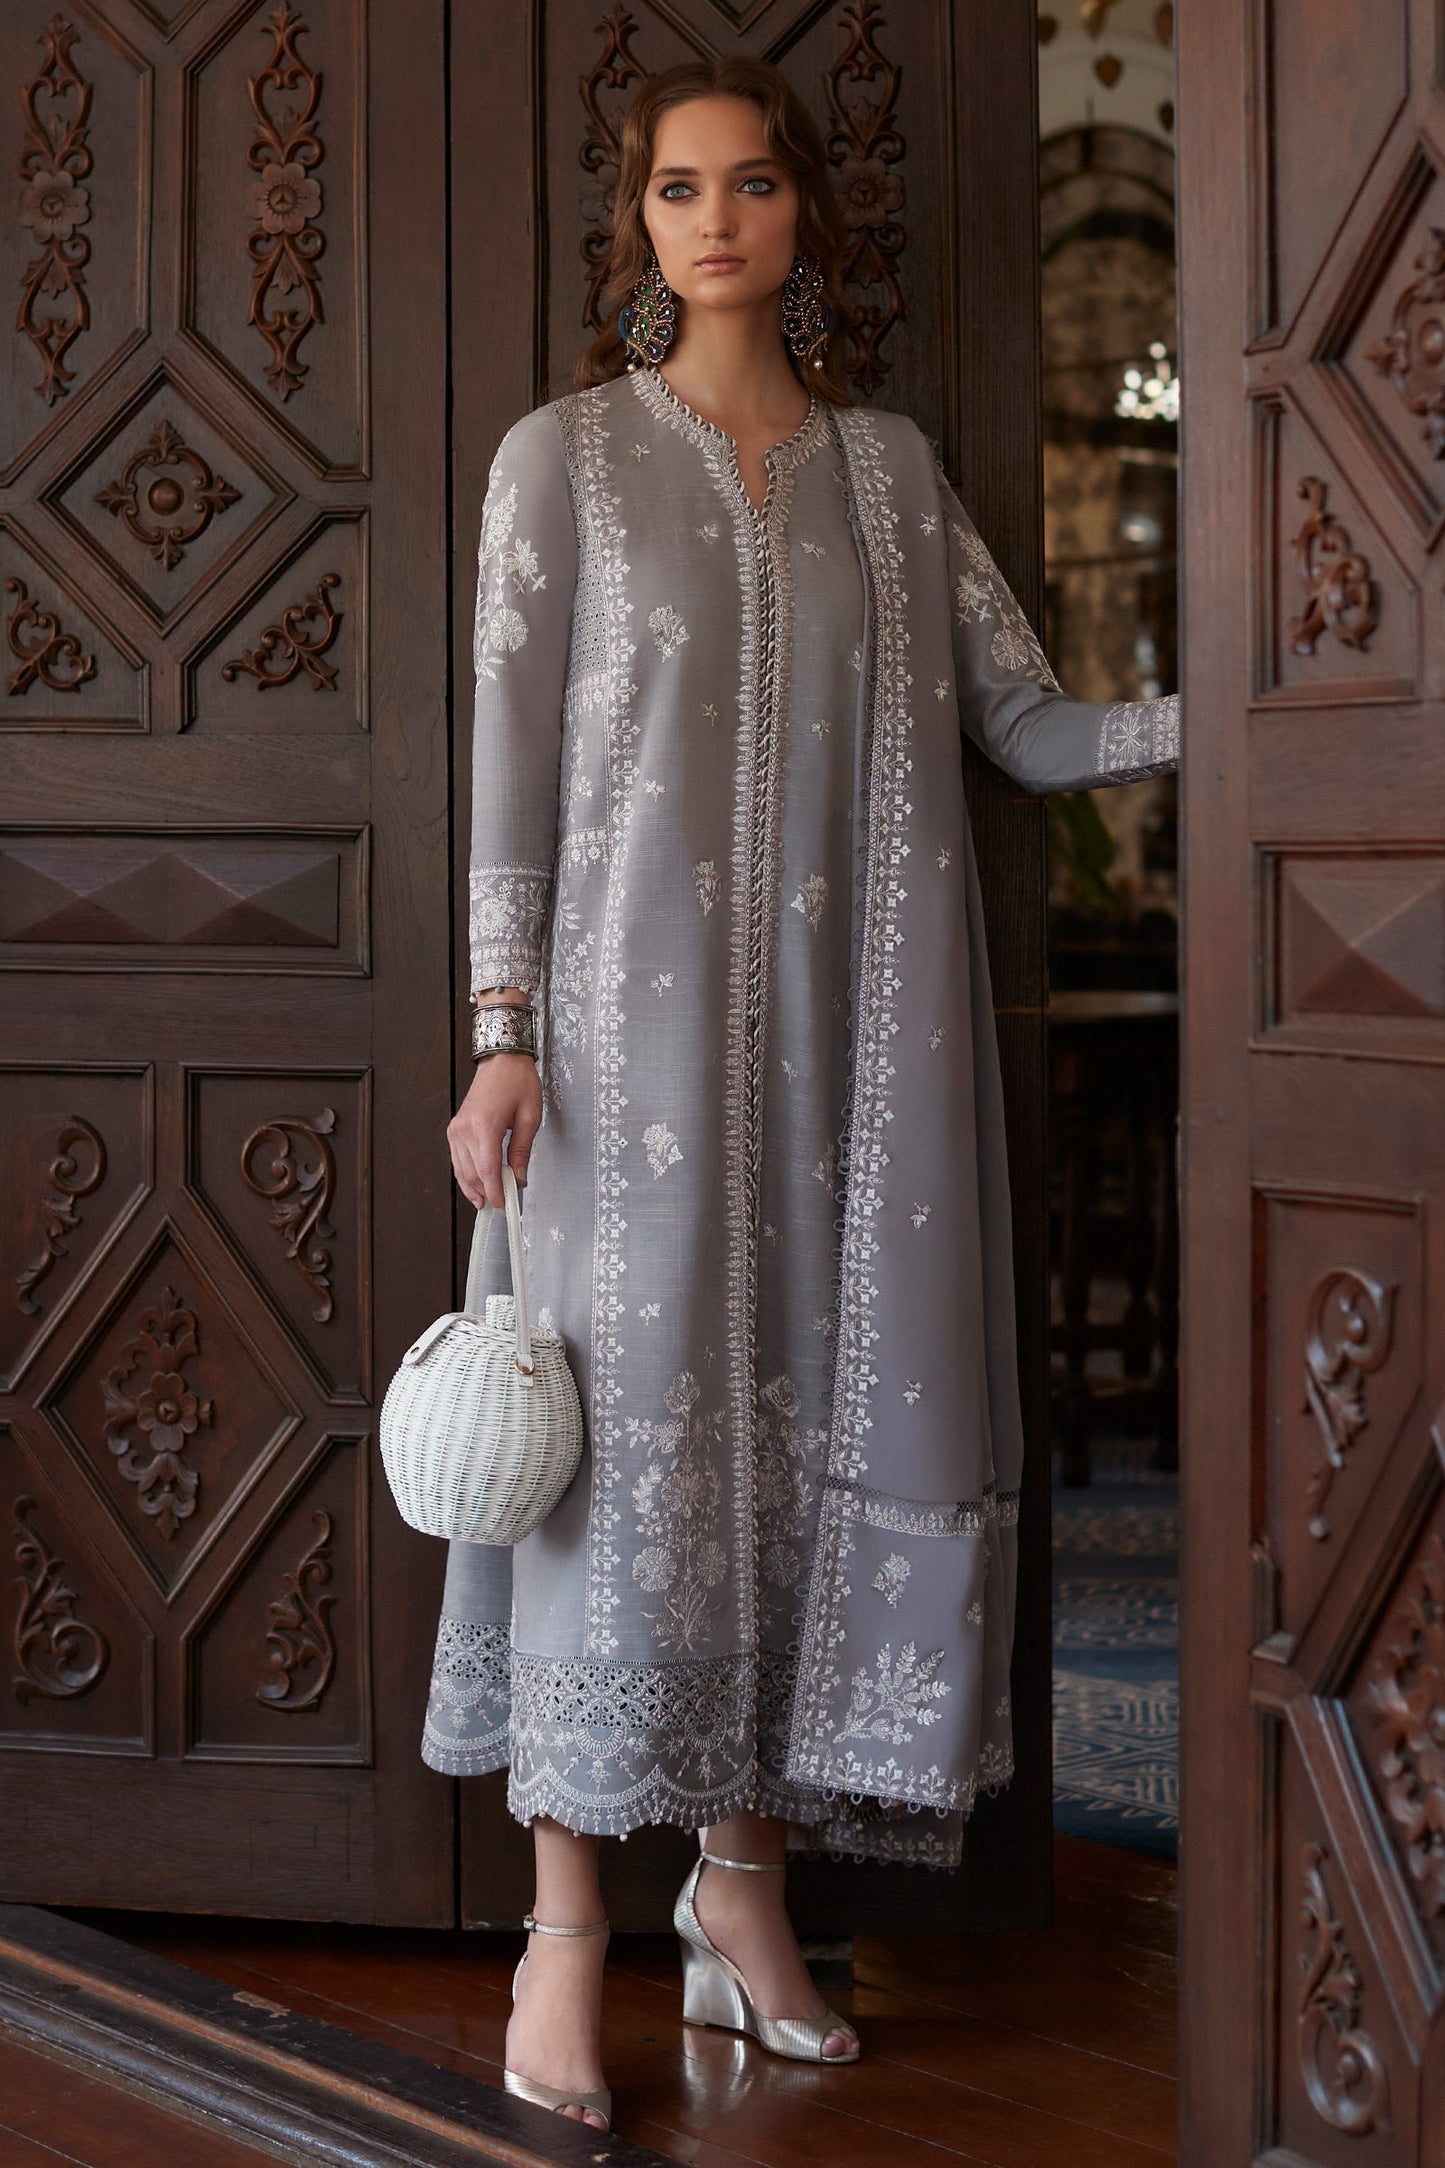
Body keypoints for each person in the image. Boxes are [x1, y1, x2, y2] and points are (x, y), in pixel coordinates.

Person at [433, 56, 1178, 2133]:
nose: (717, 221)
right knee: (611, 1474)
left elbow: (1024, 720)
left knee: (796, 1454)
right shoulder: (563, 463)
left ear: (801, 217)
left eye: (752, 184)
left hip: (855, 1080)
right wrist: (501, 1024)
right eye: (680, 189)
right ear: (639, 225)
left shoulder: (886, 474)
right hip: (615, 1081)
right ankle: (564, 1935)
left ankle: (742, 1900)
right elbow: (507, 758)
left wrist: (1249, 717)